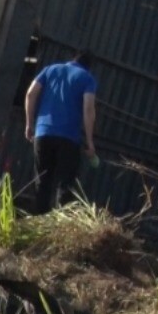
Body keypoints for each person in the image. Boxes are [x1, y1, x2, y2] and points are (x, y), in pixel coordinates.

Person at [24, 50, 97, 214]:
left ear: (73, 59)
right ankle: (60, 229)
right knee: (65, 185)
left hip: (43, 133)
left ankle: (37, 223)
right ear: (88, 67)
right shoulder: (87, 78)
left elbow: (30, 94)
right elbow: (88, 108)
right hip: (69, 138)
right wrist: (90, 141)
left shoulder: (50, 70)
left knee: (42, 182)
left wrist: (29, 124)